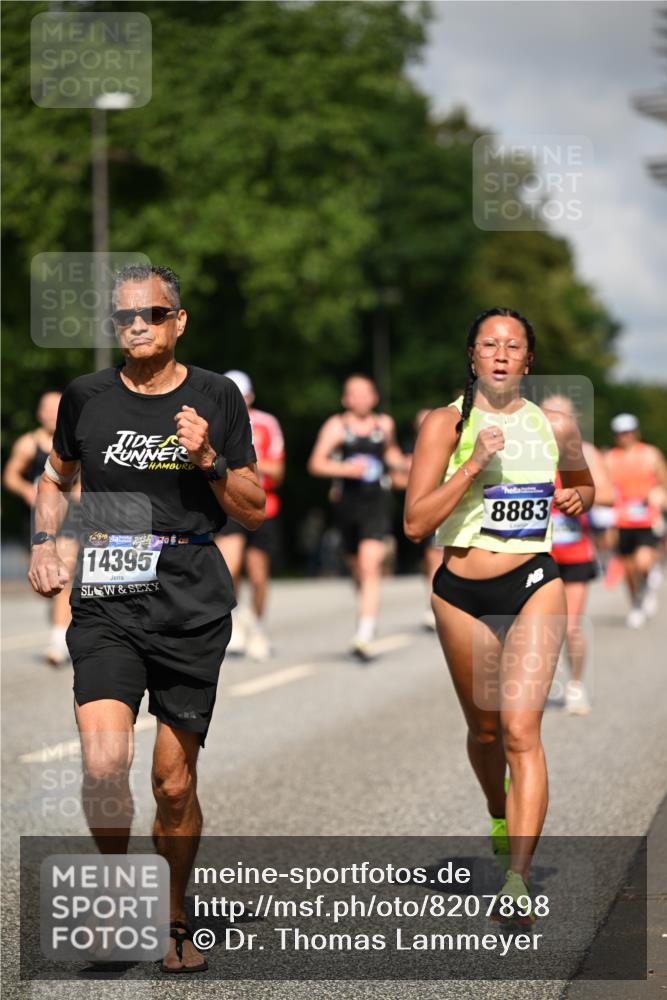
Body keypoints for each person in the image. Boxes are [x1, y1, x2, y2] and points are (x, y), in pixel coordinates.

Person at [28, 264, 264, 973]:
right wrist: (45, 540)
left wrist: (209, 457)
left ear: (178, 321)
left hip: (190, 593)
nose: (137, 326)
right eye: (124, 317)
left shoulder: (216, 397)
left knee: (172, 786)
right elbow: (56, 477)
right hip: (106, 592)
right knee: (104, 765)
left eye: (152, 314)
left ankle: (176, 911)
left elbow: (252, 506)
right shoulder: (86, 398)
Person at [404, 307, 594, 914]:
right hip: (461, 589)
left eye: (514, 345)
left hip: (535, 581)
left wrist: (575, 496)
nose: (502, 353)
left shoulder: (555, 424)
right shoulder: (444, 423)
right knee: (485, 729)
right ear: (473, 357)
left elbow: (584, 485)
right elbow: (415, 523)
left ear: (528, 360)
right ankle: (496, 811)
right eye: (490, 344)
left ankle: (517, 879)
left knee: (520, 729)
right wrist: (475, 463)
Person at [308, 375, 409, 661]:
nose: (361, 398)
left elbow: (391, 455)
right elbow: (316, 463)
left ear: (374, 397)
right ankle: (365, 612)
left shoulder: (384, 424)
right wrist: (345, 470)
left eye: (366, 393)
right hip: (346, 506)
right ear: (346, 399)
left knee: (370, 565)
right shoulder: (337, 426)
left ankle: (365, 632)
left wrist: (406, 464)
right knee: (357, 569)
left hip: (375, 504)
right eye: (355, 394)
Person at [540, 396, 615, 715]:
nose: (553, 421)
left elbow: (608, 495)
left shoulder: (586, 452)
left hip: (574, 550)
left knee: (569, 627)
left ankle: (575, 685)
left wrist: (577, 495)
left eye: (560, 415)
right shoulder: (525, 449)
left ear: (571, 420)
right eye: (546, 414)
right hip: (535, 551)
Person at [3, 390, 79, 664]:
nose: (51, 414)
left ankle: (58, 643)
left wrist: (77, 495)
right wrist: (25, 490)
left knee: (64, 572)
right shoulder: (28, 443)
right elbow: (10, 475)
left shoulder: (75, 440)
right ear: (39, 413)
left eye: (56, 409)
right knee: (45, 578)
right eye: (46, 409)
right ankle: (59, 613)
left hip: (69, 517)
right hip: (36, 519)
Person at [215, 370, 285, 661]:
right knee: (228, 569)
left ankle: (256, 626)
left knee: (258, 576)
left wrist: (245, 460)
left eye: (242, 396)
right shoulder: (212, 421)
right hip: (229, 506)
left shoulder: (267, 423)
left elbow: (278, 472)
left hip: (264, 506)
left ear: (250, 396)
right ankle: (235, 624)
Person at [605, 413, 667, 628]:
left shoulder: (651, 454)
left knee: (643, 561)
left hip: (647, 519)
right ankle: (636, 604)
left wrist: (659, 494)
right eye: (621, 433)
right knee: (628, 569)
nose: (625, 437)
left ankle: (647, 587)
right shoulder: (610, 458)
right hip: (622, 521)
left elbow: (663, 483)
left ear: (636, 433)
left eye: (629, 432)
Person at [394, 408, 443, 631]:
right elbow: (396, 480)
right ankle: (433, 598)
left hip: (446, 505)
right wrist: (421, 482)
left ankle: (436, 603)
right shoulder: (408, 448)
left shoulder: (451, 440)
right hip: (420, 509)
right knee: (429, 558)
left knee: (435, 555)